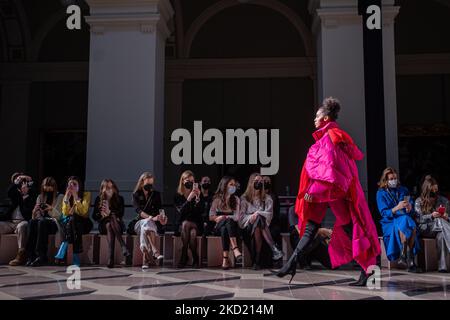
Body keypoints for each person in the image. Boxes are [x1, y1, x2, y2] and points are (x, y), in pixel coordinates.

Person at [276, 97, 380, 286]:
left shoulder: (331, 137)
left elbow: (330, 171)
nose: (314, 119)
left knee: (352, 230)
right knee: (311, 228)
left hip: (335, 192)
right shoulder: (330, 137)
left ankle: (370, 271)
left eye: (317, 116)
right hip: (329, 192)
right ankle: (291, 263)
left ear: (325, 117)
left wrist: (313, 191)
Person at [376, 167, 420, 272]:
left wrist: (409, 207)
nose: (394, 180)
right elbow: (384, 213)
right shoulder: (381, 193)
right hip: (390, 221)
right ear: (385, 180)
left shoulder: (403, 189)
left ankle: (404, 255)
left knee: (407, 221)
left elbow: (411, 204)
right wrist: (396, 208)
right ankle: (411, 260)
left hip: (404, 217)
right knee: (409, 224)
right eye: (391, 179)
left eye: (395, 178)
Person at [239, 173, 283, 270]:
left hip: (262, 226)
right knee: (258, 218)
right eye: (256, 181)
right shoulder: (244, 198)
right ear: (251, 183)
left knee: (259, 219)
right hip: (248, 226)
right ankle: (274, 249)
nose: (259, 183)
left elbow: (269, 215)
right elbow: (241, 219)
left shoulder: (267, 198)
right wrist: (252, 216)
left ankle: (257, 260)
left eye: (261, 182)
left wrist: (258, 213)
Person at [131, 172, 167, 270]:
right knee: (146, 223)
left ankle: (145, 259)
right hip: (139, 223)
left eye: (151, 184)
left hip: (152, 224)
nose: (149, 187)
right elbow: (139, 211)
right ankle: (154, 250)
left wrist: (163, 218)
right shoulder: (136, 195)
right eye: (147, 184)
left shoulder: (156, 194)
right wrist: (151, 218)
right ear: (142, 183)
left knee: (146, 228)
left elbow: (160, 209)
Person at [414, 175, 450, 272]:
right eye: (432, 191)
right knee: (439, 221)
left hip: (441, 229)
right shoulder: (419, 201)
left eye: (436, 190)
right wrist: (431, 216)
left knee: (441, 235)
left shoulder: (444, 200)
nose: (435, 193)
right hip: (426, 228)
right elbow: (418, 219)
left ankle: (442, 267)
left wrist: (447, 217)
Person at [54, 176, 93, 266]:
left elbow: (83, 212)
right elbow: (65, 213)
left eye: (74, 184)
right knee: (72, 220)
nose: (72, 187)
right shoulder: (66, 196)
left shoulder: (86, 194)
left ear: (80, 186)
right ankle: (76, 255)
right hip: (72, 225)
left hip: (84, 223)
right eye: (70, 185)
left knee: (74, 218)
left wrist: (76, 196)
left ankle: (64, 244)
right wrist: (67, 199)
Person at [92, 179, 131, 268]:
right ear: (103, 189)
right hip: (103, 225)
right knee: (108, 223)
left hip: (117, 225)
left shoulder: (119, 199)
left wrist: (109, 212)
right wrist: (101, 215)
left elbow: (121, 214)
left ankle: (111, 259)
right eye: (107, 187)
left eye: (112, 187)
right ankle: (123, 246)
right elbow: (94, 216)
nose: (110, 189)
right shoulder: (99, 199)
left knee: (110, 223)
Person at [0, 173, 36, 266]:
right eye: (18, 181)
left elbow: (29, 211)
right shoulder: (13, 194)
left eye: (22, 181)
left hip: (22, 221)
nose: (21, 183)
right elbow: (9, 191)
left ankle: (21, 255)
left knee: (23, 226)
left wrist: (25, 195)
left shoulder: (30, 195)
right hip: (10, 222)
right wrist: (16, 184)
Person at [26, 177, 63, 266]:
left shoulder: (60, 196)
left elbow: (60, 216)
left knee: (42, 222)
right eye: (45, 186)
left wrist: (50, 209)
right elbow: (36, 216)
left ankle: (41, 255)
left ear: (54, 187)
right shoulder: (40, 197)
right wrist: (34, 211)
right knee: (31, 222)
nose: (47, 189)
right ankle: (30, 256)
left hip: (54, 222)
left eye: (50, 187)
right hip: (41, 221)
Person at [209, 176, 243, 269]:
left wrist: (225, 217)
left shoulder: (236, 199)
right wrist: (219, 217)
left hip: (232, 228)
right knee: (226, 223)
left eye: (234, 185)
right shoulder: (216, 200)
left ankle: (225, 259)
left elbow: (236, 217)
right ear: (224, 186)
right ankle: (235, 249)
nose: (233, 187)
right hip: (217, 226)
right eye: (231, 184)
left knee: (226, 227)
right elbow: (211, 216)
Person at [174, 170, 204, 268]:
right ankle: (195, 258)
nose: (190, 183)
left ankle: (184, 255)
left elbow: (201, 211)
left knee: (186, 224)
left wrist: (198, 198)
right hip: (182, 226)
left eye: (192, 181)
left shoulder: (198, 193)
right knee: (192, 234)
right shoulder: (177, 196)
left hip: (196, 223)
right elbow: (181, 212)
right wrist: (188, 199)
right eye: (187, 180)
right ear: (182, 181)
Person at [287, 205, 332, 270]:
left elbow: (318, 227)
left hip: (315, 241)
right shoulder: (293, 209)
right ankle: (303, 259)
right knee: (304, 243)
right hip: (300, 242)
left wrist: (327, 238)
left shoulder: (314, 209)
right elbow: (300, 232)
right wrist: (321, 231)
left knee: (332, 264)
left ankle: (311, 256)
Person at [264, 176, 282, 247]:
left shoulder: (272, 196)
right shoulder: (258, 196)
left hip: (272, 224)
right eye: (264, 181)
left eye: (268, 182)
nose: (266, 183)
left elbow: (271, 214)